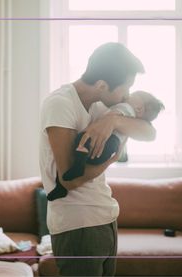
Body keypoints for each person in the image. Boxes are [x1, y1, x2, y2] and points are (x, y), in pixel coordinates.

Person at [39, 42, 156, 276]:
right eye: (125, 90)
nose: (127, 96)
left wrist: (114, 121)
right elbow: (69, 180)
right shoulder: (60, 104)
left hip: (106, 216)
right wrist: (110, 161)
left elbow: (150, 133)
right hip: (78, 223)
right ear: (102, 85)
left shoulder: (105, 106)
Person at [47, 90, 164, 201]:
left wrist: (111, 121)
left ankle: (75, 170)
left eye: (133, 94)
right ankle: (75, 170)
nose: (129, 93)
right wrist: (113, 159)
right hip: (110, 147)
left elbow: (151, 134)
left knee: (80, 142)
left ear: (138, 108)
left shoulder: (125, 107)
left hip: (106, 141)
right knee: (81, 158)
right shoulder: (130, 117)